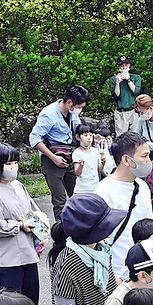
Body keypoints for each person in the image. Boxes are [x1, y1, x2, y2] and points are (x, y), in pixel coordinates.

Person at [0, 143, 46, 305]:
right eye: (8, 163)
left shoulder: (18, 186)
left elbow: (33, 212)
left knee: (30, 303)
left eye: (15, 162)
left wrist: (42, 234)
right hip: (6, 260)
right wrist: (19, 225)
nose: (13, 167)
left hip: (28, 255)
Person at [94, 132, 153, 281]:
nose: (149, 161)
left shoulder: (142, 186)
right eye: (144, 156)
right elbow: (100, 240)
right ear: (126, 160)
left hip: (145, 267)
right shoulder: (103, 192)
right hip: (119, 273)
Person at [29, 85, 89, 220]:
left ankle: (78, 228)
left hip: (69, 156)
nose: (80, 110)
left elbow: (78, 129)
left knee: (77, 195)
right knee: (60, 200)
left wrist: (89, 136)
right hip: (52, 160)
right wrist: (53, 157)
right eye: (79, 107)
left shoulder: (72, 113)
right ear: (69, 103)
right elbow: (34, 138)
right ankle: (61, 234)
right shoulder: (48, 114)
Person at [109, 56, 142, 136]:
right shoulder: (113, 79)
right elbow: (116, 95)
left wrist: (128, 80)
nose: (123, 67)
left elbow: (136, 91)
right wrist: (117, 83)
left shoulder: (136, 77)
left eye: (126, 65)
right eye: (121, 65)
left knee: (135, 136)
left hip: (133, 111)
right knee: (121, 138)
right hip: (121, 113)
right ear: (118, 67)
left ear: (129, 66)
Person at [73, 125, 103, 194]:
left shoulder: (95, 151)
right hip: (81, 190)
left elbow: (100, 169)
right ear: (78, 137)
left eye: (91, 135)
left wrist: (103, 163)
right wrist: (81, 165)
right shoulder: (77, 153)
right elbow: (77, 173)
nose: (89, 138)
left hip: (95, 188)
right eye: (86, 135)